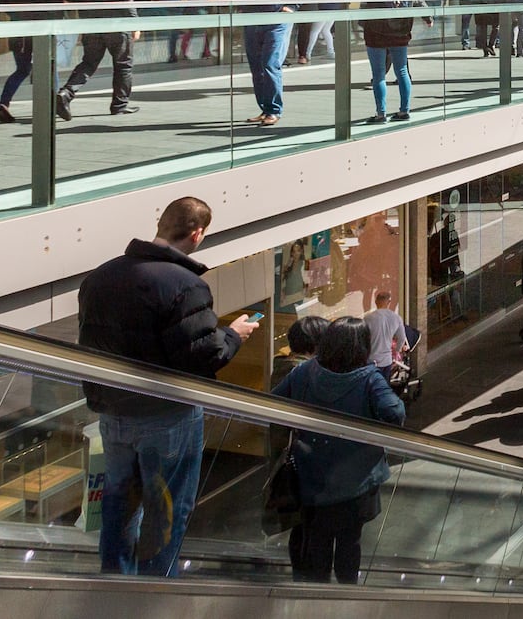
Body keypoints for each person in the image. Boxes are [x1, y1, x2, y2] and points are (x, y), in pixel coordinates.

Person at [78, 196, 257, 576]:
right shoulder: (186, 285)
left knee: (119, 503)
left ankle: (113, 583)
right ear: (197, 233)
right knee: (167, 508)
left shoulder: (101, 276)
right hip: (166, 414)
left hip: (112, 411)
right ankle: (156, 591)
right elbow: (203, 355)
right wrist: (234, 335)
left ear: (160, 225)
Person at [269, 318, 405, 583]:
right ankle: (345, 595)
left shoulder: (305, 371)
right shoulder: (368, 379)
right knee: (349, 543)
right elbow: (394, 413)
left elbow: (274, 403)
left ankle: (316, 598)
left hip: (311, 478)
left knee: (316, 541)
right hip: (357, 481)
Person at [233, 0, 311, 126]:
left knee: (270, 63)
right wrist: (239, 7)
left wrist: (291, 7)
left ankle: (274, 110)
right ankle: (265, 108)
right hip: (252, 21)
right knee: (256, 66)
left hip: (277, 22)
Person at [58, 0, 138, 119]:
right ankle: (119, 104)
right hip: (116, 25)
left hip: (91, 24)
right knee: (123, 64)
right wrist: (135, 23)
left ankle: (66, 93)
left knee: (89, 62)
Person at [0, 0, 64, 123]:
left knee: (22, 69)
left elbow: (5, 5)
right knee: (49, 67)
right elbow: (56, 5)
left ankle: (4, 103)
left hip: (20, 30)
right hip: (43, 29)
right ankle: (53, 104)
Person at [353, 0, 420, 124]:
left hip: (376, 33)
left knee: (379, 74)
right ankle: (404, 111)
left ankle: (381, 114)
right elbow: (418, 0)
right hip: (400, 32)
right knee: (402, 71)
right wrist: (428, 18)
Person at [363, 289, 409, 369]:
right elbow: (402, 338)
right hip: (387, 360)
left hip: (372, 360)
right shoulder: (396, 318)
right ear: (389, 302)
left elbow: (363, 339)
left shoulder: (367, 318)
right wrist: (396, 352)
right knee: (385, 381)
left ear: (375, 302)